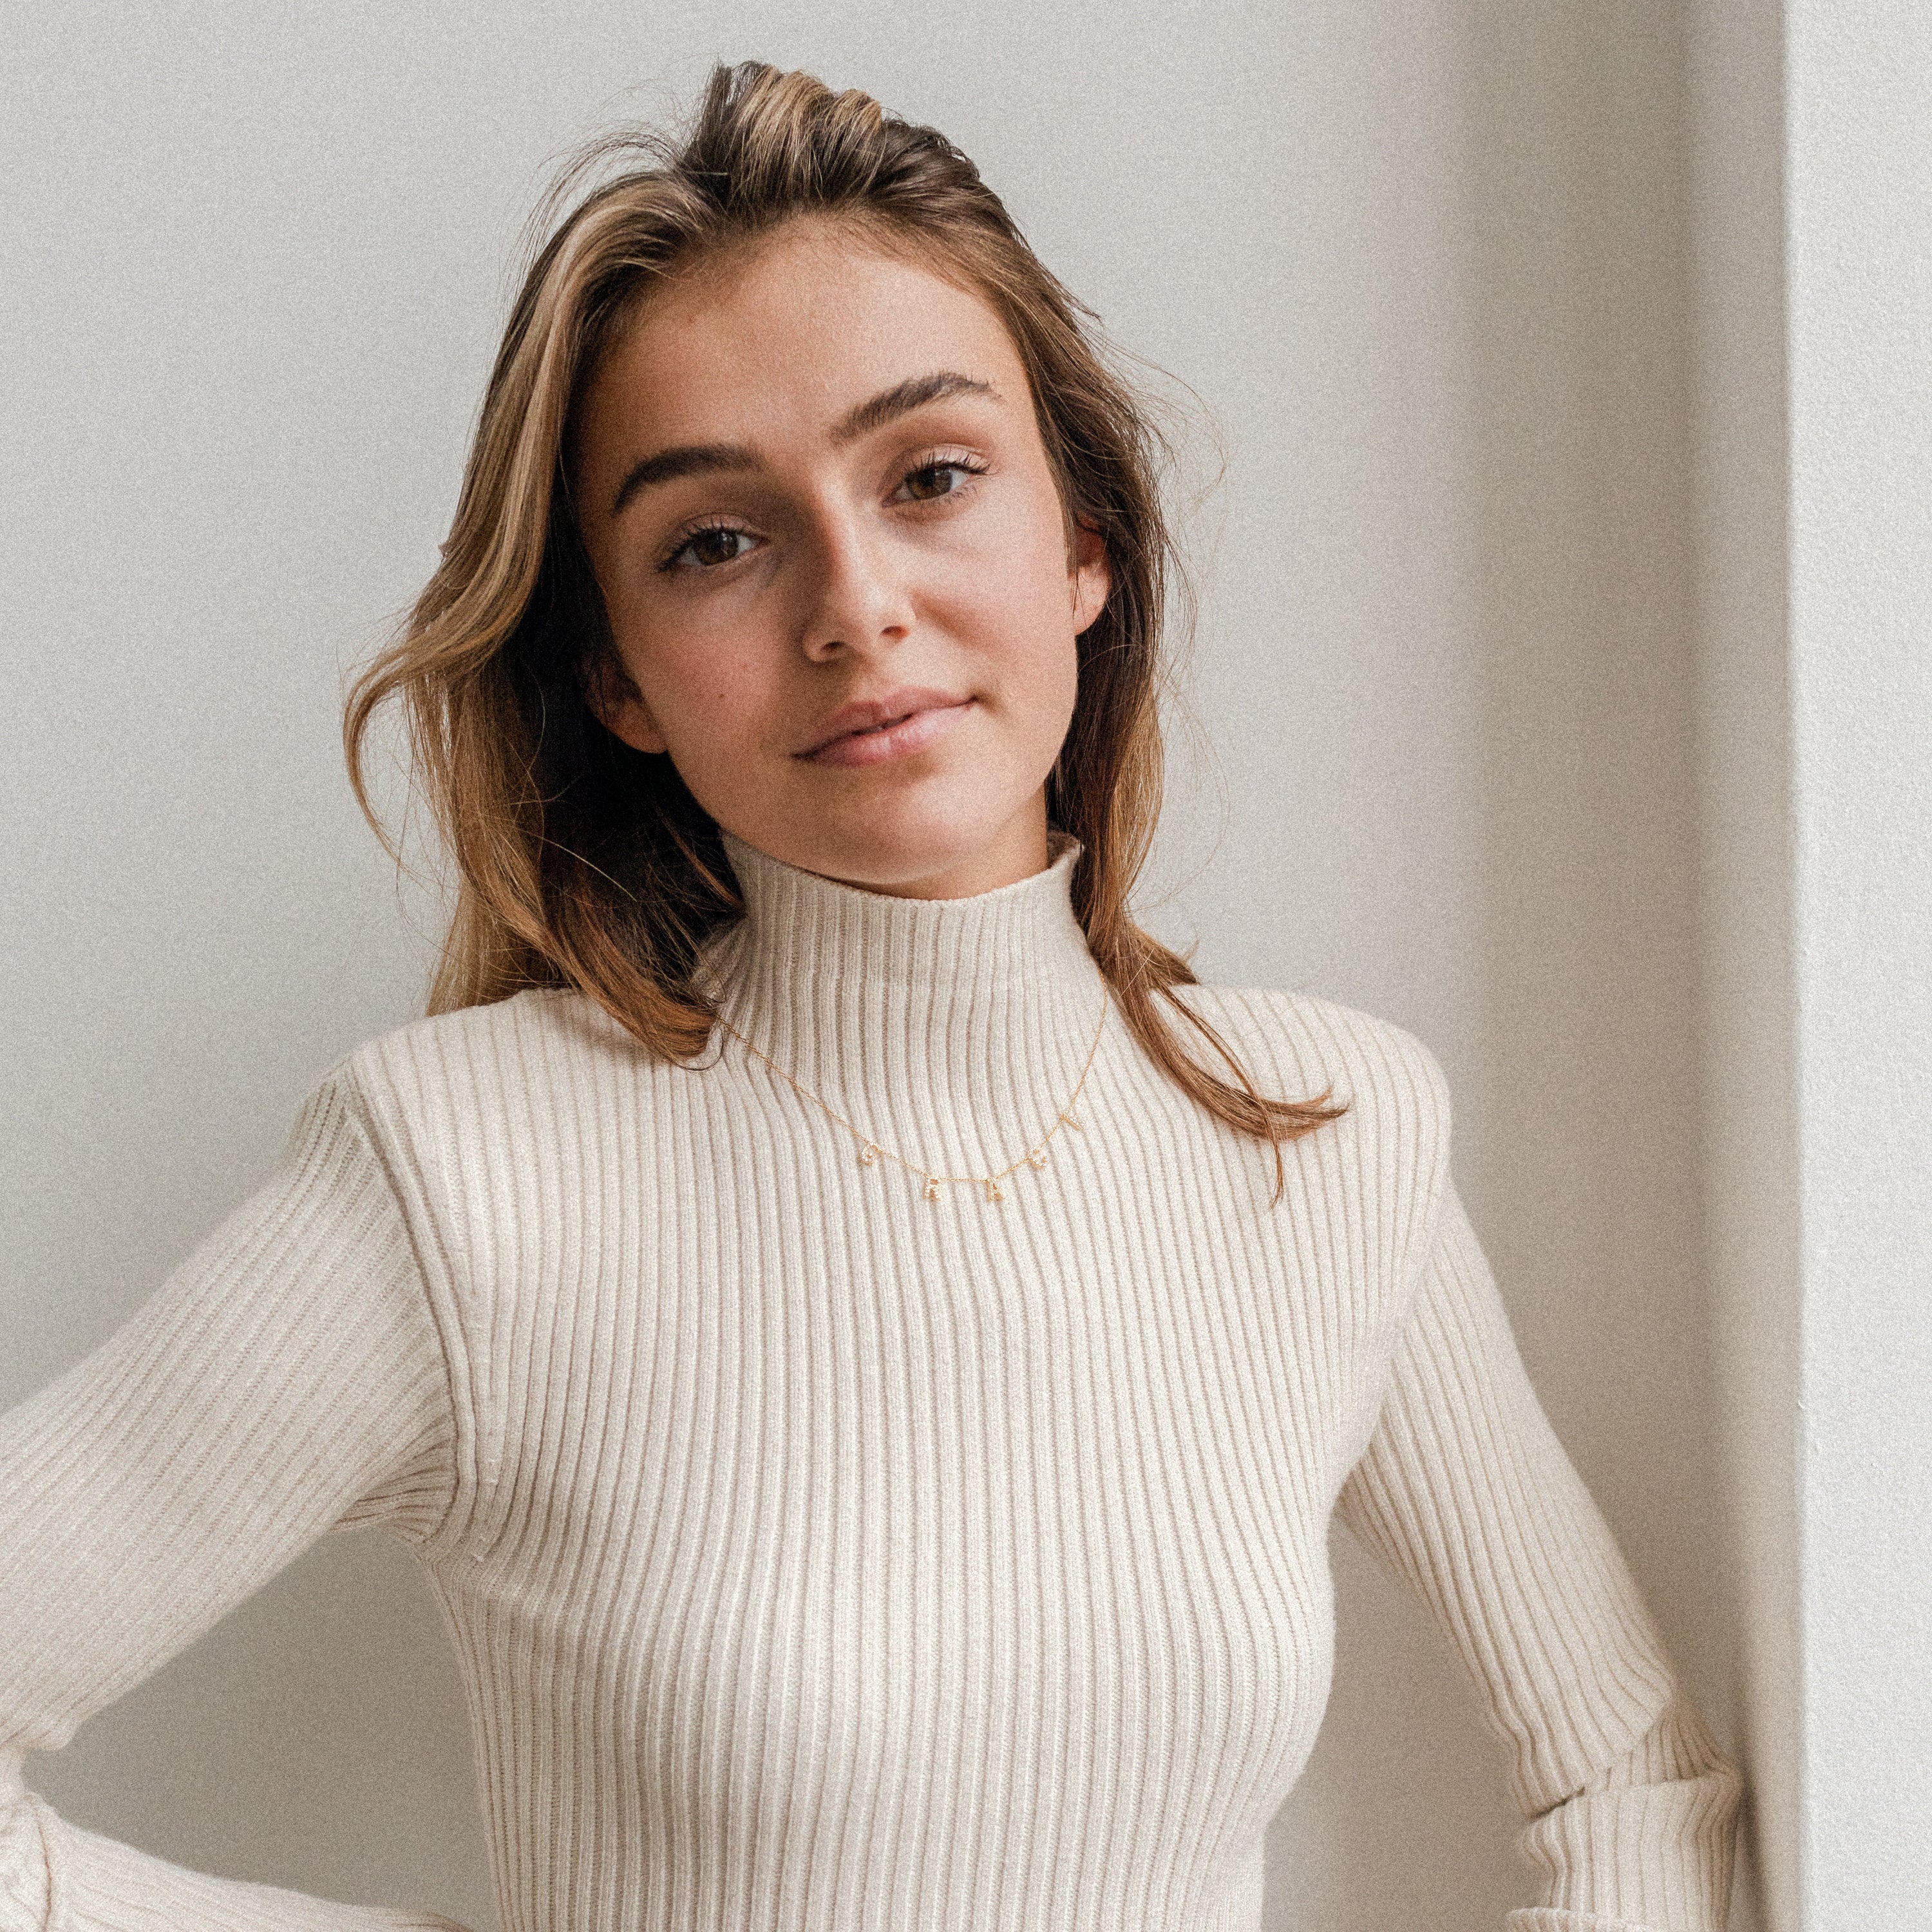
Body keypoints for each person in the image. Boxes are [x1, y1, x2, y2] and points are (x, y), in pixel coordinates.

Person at [0, 59, 1741, 1932]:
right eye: (714, 542)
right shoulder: (455, 1180)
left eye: (931, 477)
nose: (855, 607)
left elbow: (1634, 1793)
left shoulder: (1329, 1138)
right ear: (615, 676)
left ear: (1084, 542)